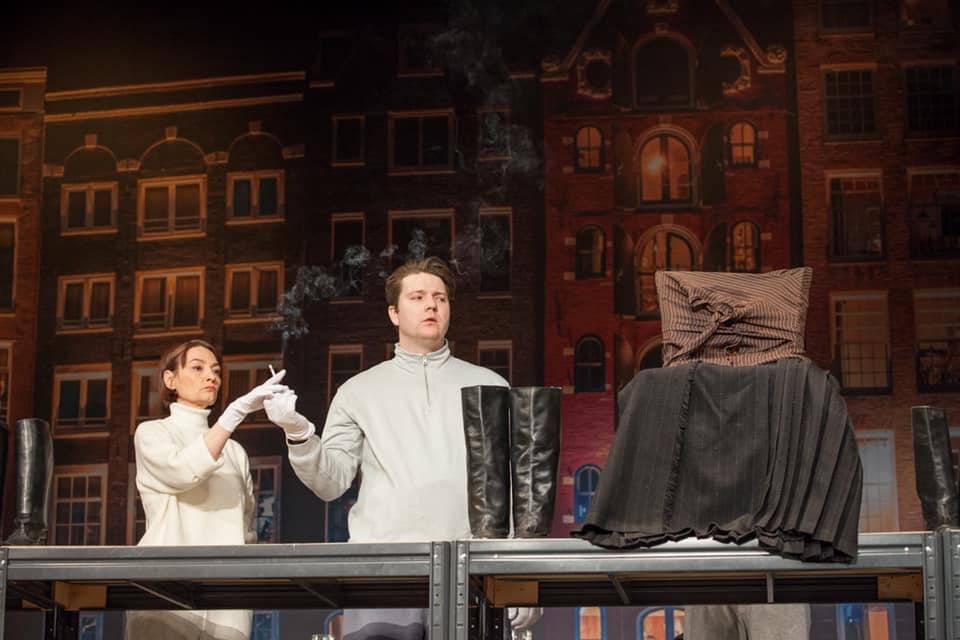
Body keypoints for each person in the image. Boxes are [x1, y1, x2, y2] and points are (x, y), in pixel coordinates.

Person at [264, 256, 541, 640]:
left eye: (440, 298)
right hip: (383, 569)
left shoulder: (490, 386)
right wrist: (297, 431)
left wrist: (522, 576)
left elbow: (515, 488)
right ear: (393, 313)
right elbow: (331, 482)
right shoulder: (358, 391)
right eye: (418, 297)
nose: (431, 306)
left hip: (473, 568)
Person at [125, 338, 287, 640]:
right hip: (166, 588)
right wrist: (234, 414)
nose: (210, 376)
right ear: (170, 379)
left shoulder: (235, 452)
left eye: (215, 370)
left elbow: (246, 527)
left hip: (227, 596)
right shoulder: (153, 433)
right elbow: (183, 471)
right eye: (197, 368)